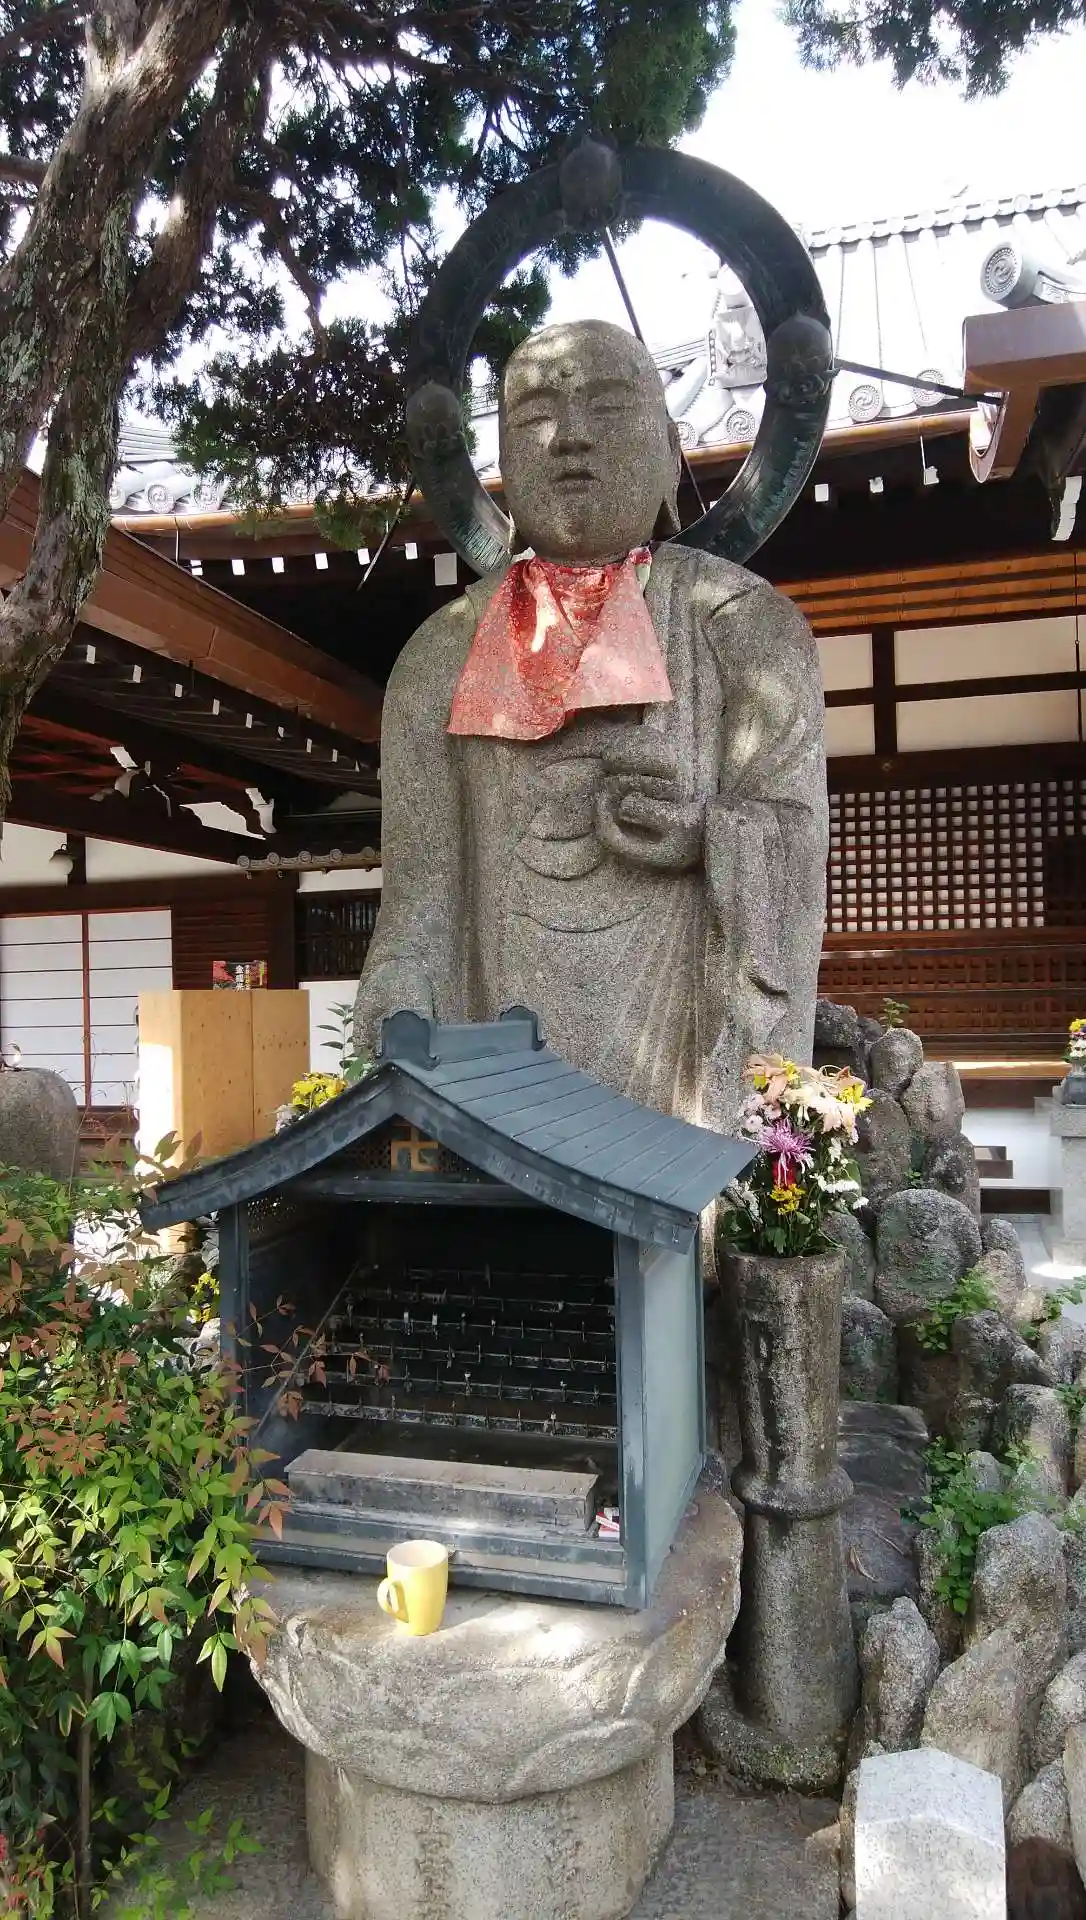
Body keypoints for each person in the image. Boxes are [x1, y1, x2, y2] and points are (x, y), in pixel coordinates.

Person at [355, 319, 827, 1133]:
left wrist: (706, 836)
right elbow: (420, 906)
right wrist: (399, 1005)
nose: (570, 438)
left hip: (685, 1076)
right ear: (500, 460)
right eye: (535, 415)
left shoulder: (745, 629)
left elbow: (795, 841)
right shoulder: (437, 660)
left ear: (670, 449)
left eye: (607, 407)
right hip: (498, 1073)